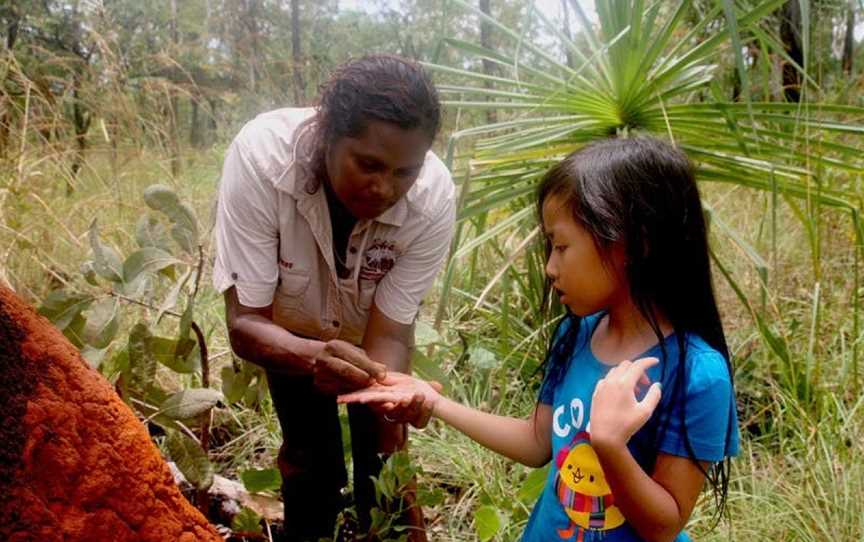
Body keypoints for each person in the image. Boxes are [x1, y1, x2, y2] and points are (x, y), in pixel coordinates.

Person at [339, 137, 740, 541]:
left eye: (561, 246)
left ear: (634, 243)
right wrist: (434, 401)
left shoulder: (698, 374)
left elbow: (665, 525)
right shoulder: (577, 334)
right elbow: (537, 442)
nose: (550, 267)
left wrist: (610, 445)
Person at [213, 55, 456, 541]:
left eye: (403, 172)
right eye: (367, 164)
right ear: (327, 133)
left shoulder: (431, 198)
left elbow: (389, 331)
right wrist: (311, 356)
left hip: (369, 339)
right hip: (286, 331)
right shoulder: (262, 159)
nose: (384, 187)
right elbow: (246, 323)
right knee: (309, 462)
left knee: (384, 471)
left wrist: (390, 400)